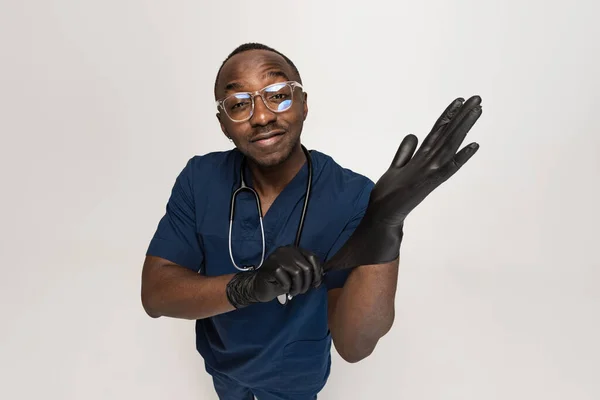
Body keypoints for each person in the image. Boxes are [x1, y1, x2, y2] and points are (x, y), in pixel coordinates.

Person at [141, 42, 482, 400]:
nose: (261, 116)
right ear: (224, 124)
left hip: (296, 375)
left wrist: (385, 228)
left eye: (278, 94)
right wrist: (251, 286)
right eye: (240, 104)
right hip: (222, 362)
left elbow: (355, 344)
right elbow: (155, 295)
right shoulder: (200, 179)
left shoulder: (350, 196)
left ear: (304, 103)